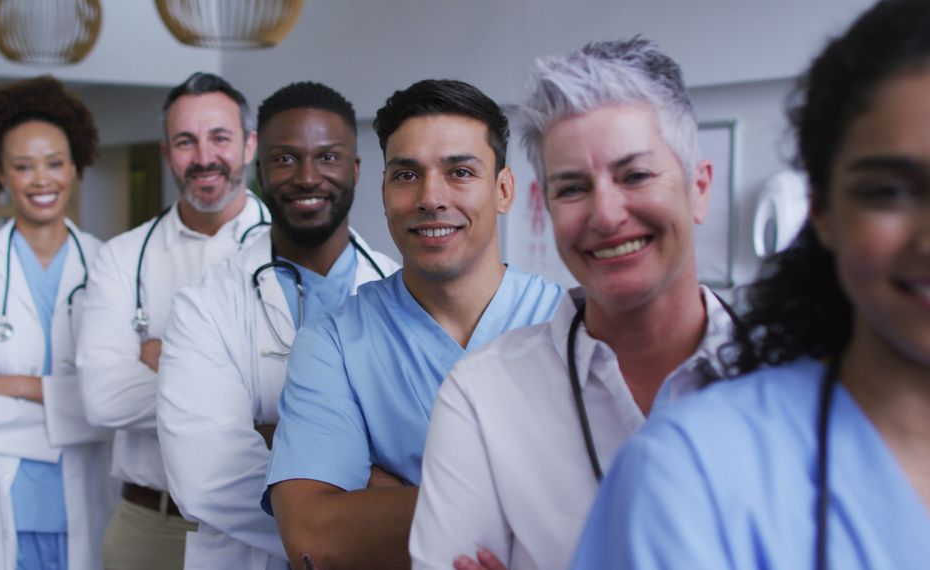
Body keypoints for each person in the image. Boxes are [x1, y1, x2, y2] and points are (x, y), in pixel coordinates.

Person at [571, 1, 930, 567]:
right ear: (821, 211)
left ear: (700, 186)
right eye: (887, 191)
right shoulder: (694, 472)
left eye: (636, 176)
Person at [410, 38, 739, 570]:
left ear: (698, 188)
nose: (606, 215)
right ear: (545, 209)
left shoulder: (794, 373)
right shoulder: (484, 397)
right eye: (573, 188)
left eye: (635, 175)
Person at [265, 79, 564, 569]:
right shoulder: (334, 342)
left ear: (504, 189)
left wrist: (386, 495)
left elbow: (614, 502)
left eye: (460, 172)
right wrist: (532, 499)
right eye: (407, 175)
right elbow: (313, 538)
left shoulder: (568, 326)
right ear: (383, 191)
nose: (431, 197)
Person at [157, 81, 399, 570]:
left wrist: (279, 439)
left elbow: (429, 455)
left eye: (328, 157)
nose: (308, 177)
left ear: (355, 168)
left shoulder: (402, 291)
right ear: (259, 168)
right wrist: (367, 493)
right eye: (286, 159)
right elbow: (206, 477)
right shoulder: (204, 306)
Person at [76, 72, 270, 570]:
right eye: (186, 141)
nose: (204, 157)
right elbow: (102, 399)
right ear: (166, 154)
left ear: (249, 145)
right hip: (150, 527)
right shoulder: (123, 256)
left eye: (220, 137)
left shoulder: (291, 249)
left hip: (263, 521)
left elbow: (309, 392)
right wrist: (247, 381)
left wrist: (167, 358)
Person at [0, 76, 113, 570]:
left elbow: (116, 402)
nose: (42, 180)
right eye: (23, 166)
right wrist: (76, 408)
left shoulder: (109, 267)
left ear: (76, 166)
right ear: (1, 174)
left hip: (84, 502)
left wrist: (23, 387)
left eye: (54, 163)